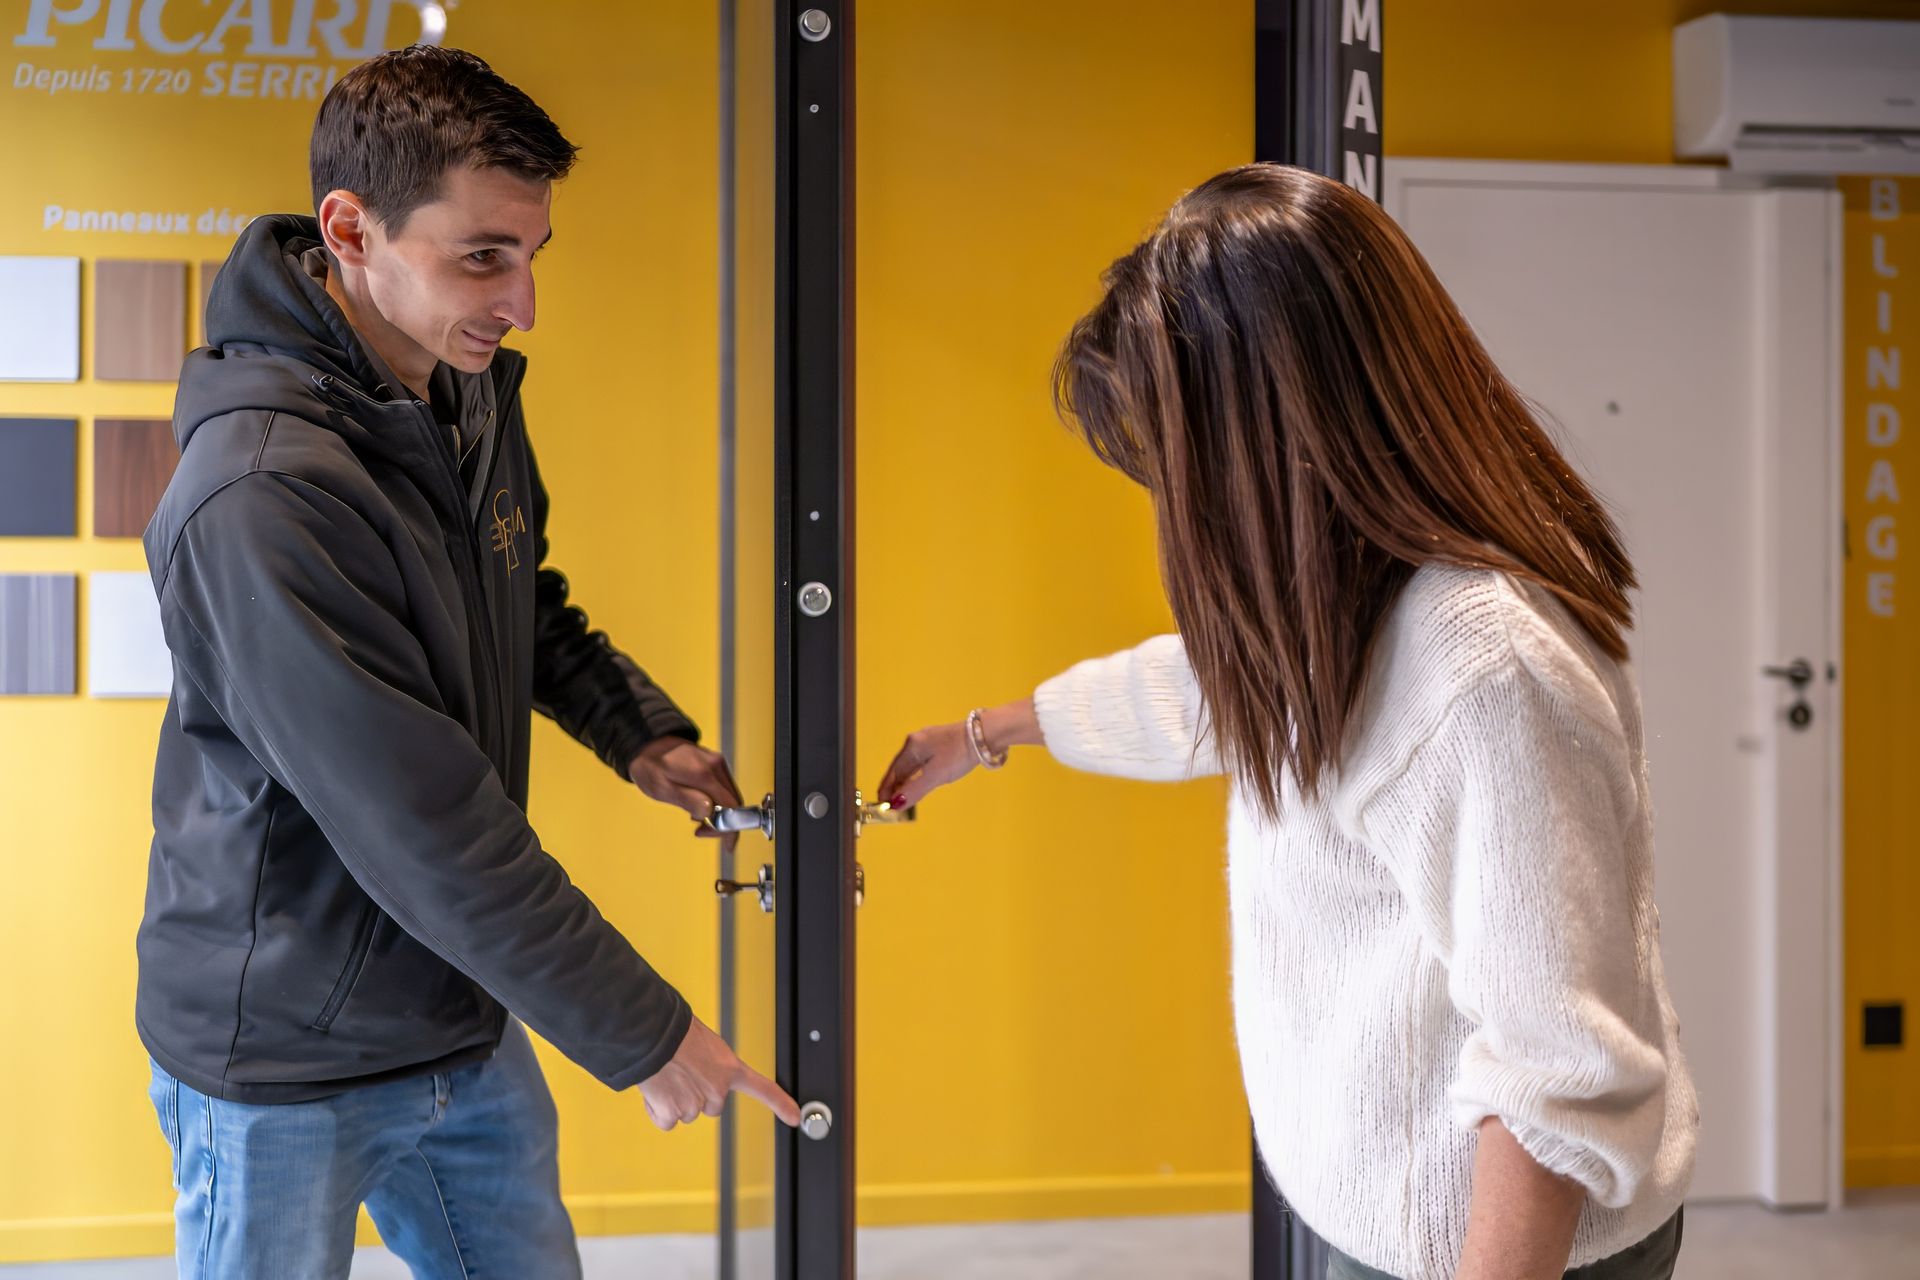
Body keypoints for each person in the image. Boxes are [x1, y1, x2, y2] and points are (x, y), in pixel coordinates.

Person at [878, 164, 1697, 1280]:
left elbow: (1551, 1069)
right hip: (1387, 1218)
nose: (1176, 507)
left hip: (1480, 1249)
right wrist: (984, 734)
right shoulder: (1362, 600)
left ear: (1274, 444)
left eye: (1175, 469)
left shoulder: (1483, 674)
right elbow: (1222, 686)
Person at [137, 44, 798, 1280]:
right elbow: (422, 823)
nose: (522, 300)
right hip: (284, 1054)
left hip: (455, 1009)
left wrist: (635, 731)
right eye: (482, 255)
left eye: (531, 253)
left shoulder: (459, 382)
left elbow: (512, 593)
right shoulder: (263, 492)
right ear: (351, 229)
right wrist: (647, 1032)